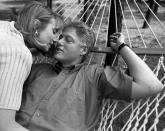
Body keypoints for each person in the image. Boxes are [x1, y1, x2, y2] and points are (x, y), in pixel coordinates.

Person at [16, 21, 163, 131]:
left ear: (83, 49)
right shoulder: (35, 69)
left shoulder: (95, 76)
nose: (58, 42)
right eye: (59, 37)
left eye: (68, 40)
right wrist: (34, 49)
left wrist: (122, 48)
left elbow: (151, 86)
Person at [0, 1, 64, 131]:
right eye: (54, 31)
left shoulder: (4, 26)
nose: (57, 39)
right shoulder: (18, 53)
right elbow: (5, 126)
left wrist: (39, 49)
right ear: (36, 26)